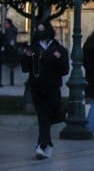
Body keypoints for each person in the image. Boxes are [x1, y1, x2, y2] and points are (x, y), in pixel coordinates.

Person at [22, 21, 68, 159]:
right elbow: (25, 68)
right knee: (43, 116)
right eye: (38, 29)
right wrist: (26, 57)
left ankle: (44, 145)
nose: (40, 32)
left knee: (46, 116)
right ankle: (43, 145)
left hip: (52, 87)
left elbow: (64, 69)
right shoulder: (33, 48)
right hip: (37, 87)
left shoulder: (58, 49)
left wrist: (58, 58)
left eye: (43, 29)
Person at [3, 17, 21, 85]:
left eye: (6, 23)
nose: (4, 25)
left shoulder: (10, 31)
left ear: (9, 24)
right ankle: (11, 81)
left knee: (10, 66)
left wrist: (8, 46)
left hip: (10, 50)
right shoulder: (11, 30)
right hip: (12, 49)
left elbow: (10, 41)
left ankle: (11, 82)